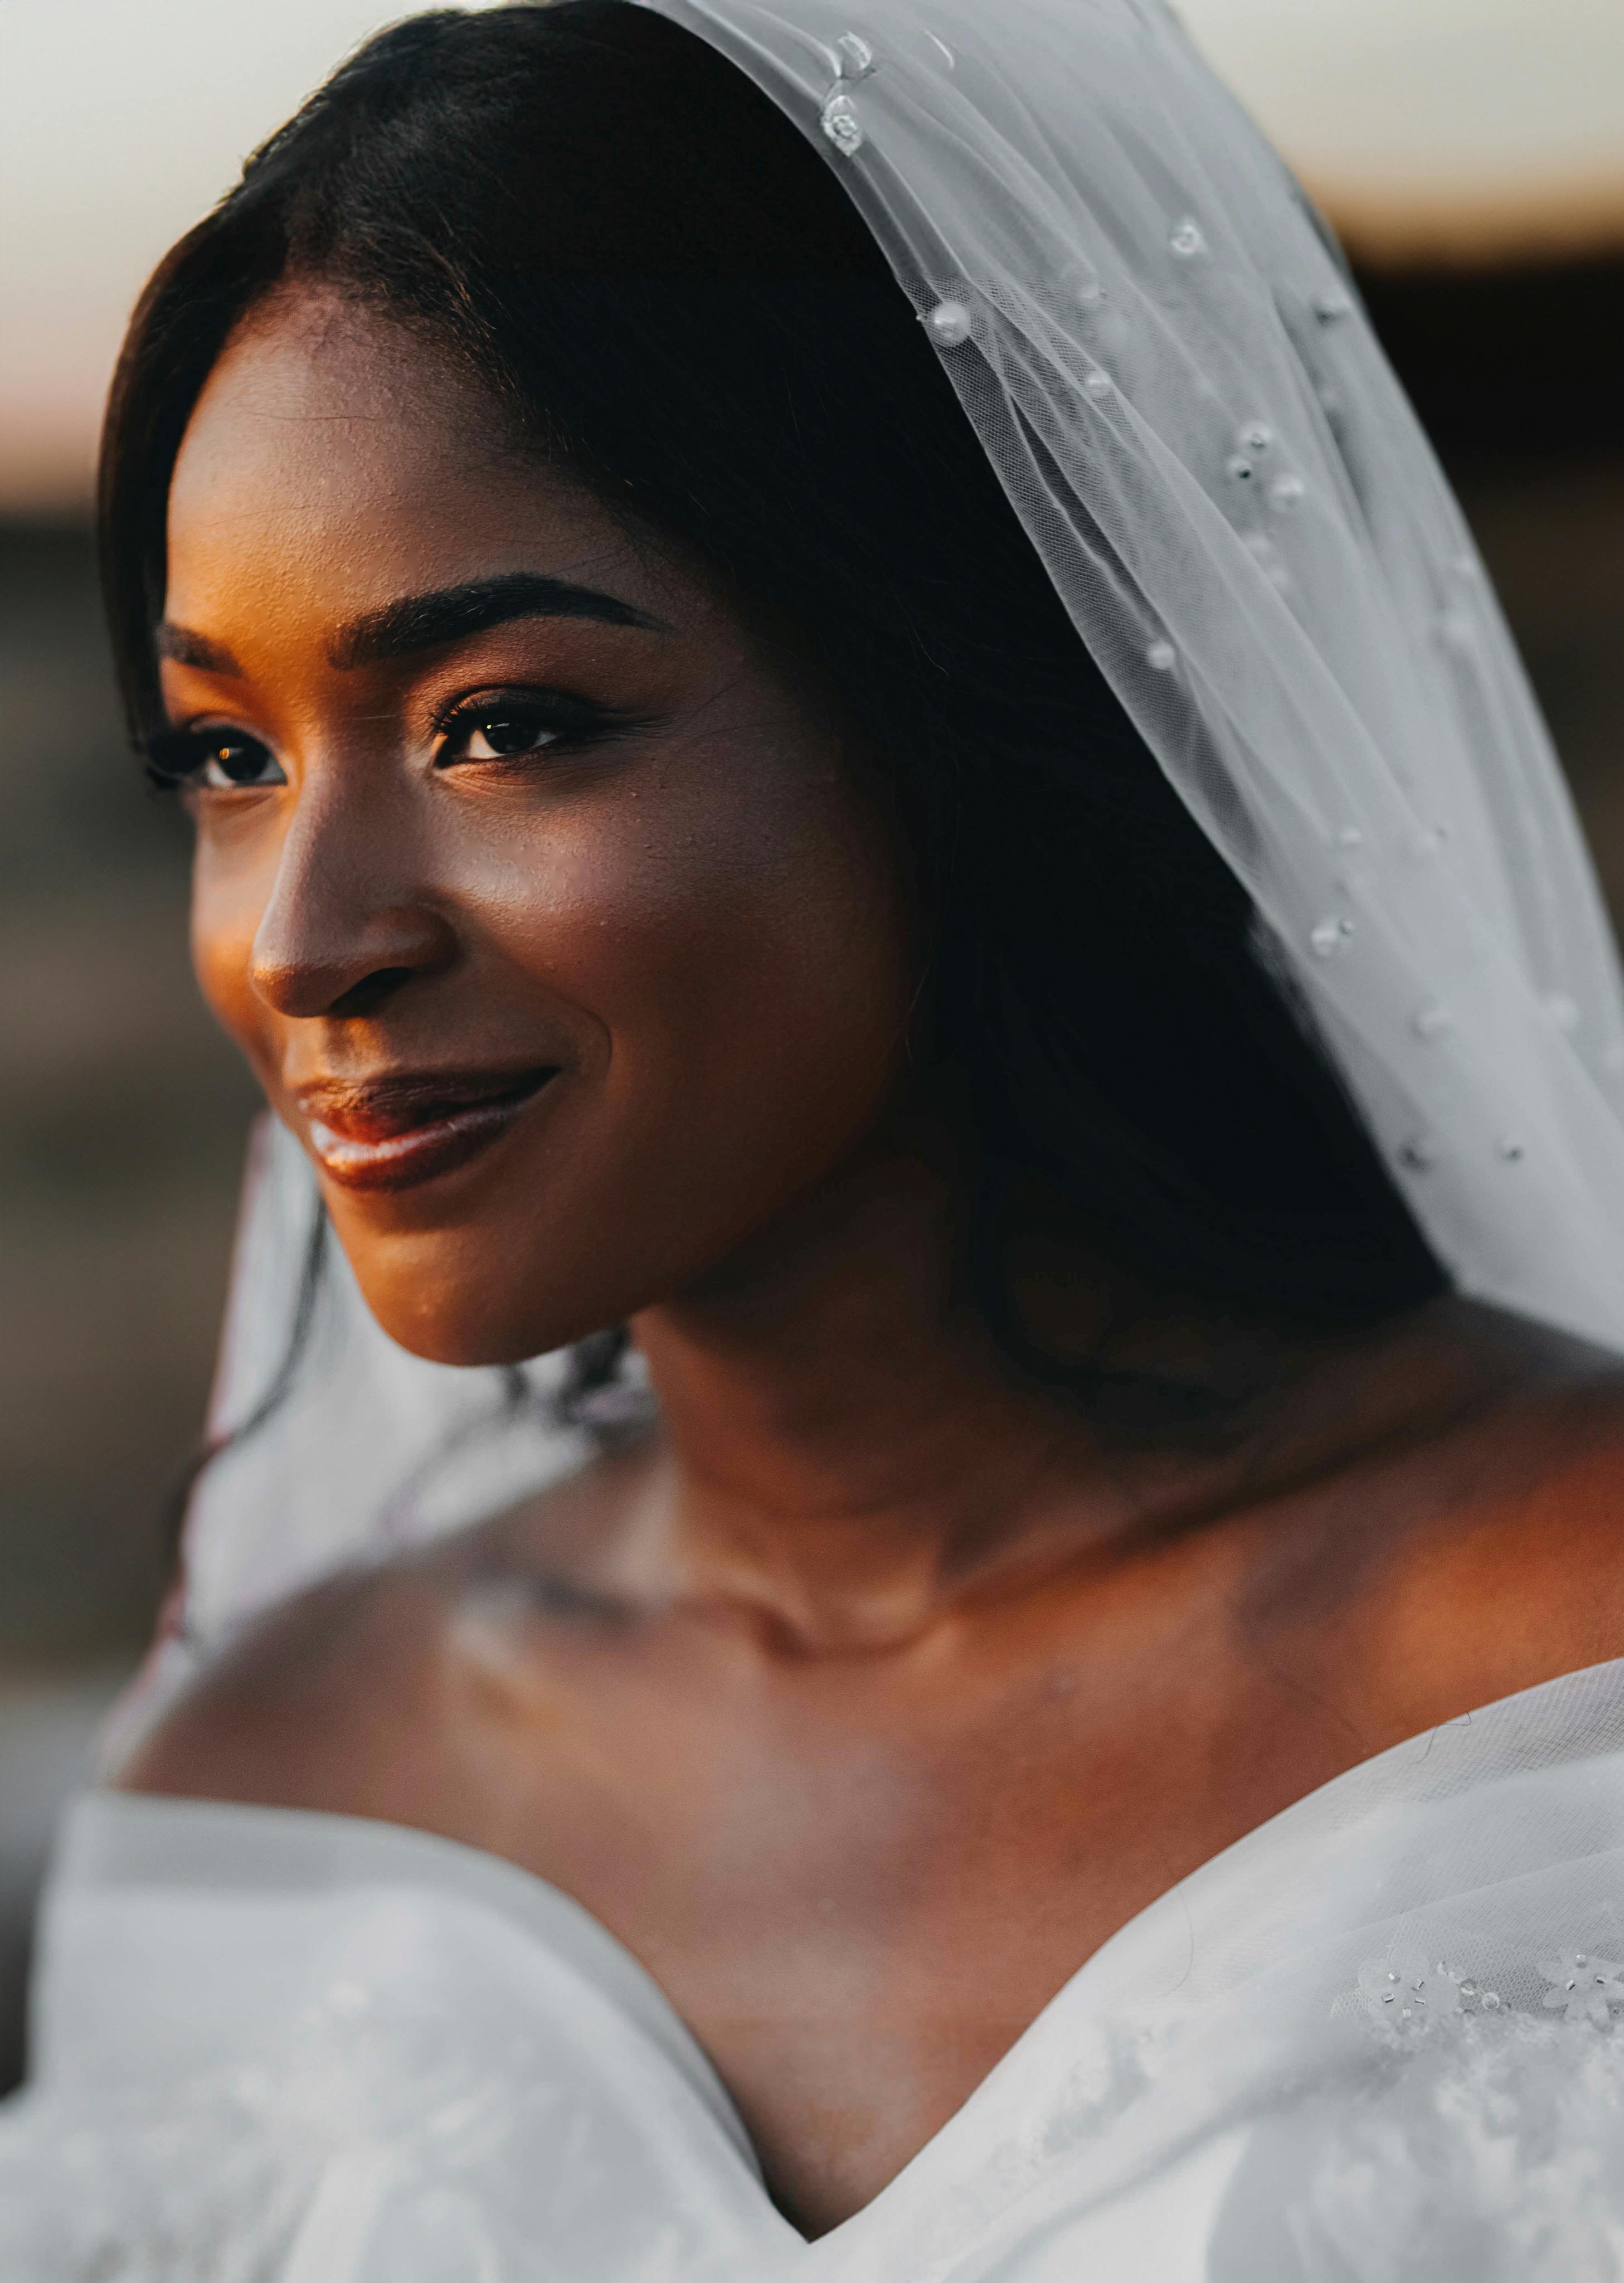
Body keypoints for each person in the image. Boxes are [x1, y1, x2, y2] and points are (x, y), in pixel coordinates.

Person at [4, 1, 1623, 2274]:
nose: (305, 941)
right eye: (225, 759)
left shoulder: (1578, 1657)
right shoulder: (270, 1792)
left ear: (964, 682)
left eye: (505, 725)